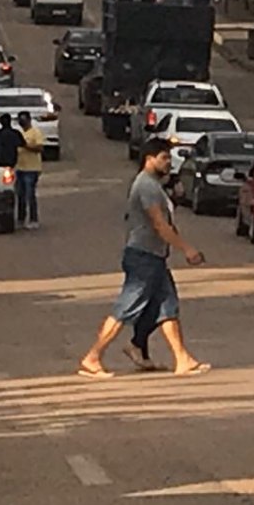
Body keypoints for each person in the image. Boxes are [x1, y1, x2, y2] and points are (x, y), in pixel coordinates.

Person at [79, 137, 209, 379]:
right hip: (143, 257)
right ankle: (93, 357)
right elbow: (159, 224)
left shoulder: (155, 185)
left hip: (155, 257)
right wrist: (186, 249)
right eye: (164, 158)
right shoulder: (146, 185)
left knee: (168, 307)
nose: (169, 162)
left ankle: (182, 359)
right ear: (150, 159)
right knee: (126, 308)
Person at [15, 111, 45, 230]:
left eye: (23, 119)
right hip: (20, 168)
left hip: (32, 169)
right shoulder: (19, 133)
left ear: (29, 120)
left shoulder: (35, 132)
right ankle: (21, 219)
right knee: (20, 195)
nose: (21, 122)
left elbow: (40, 148)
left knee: (30, 195)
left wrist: (25, 146)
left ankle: (33, 219)